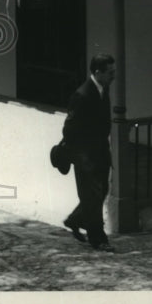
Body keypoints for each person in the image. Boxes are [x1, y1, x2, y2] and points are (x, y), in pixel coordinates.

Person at [62, 53, 116, 252]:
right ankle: (98, 239)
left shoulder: (103, 89)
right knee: (92, 196)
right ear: (97, 72)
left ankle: (75, 220)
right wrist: (82, 156)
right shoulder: (82, 95)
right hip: (85, 156)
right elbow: (68, 130)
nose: (113, 76)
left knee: (101, 191)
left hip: (101, 151)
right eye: (110, 72)